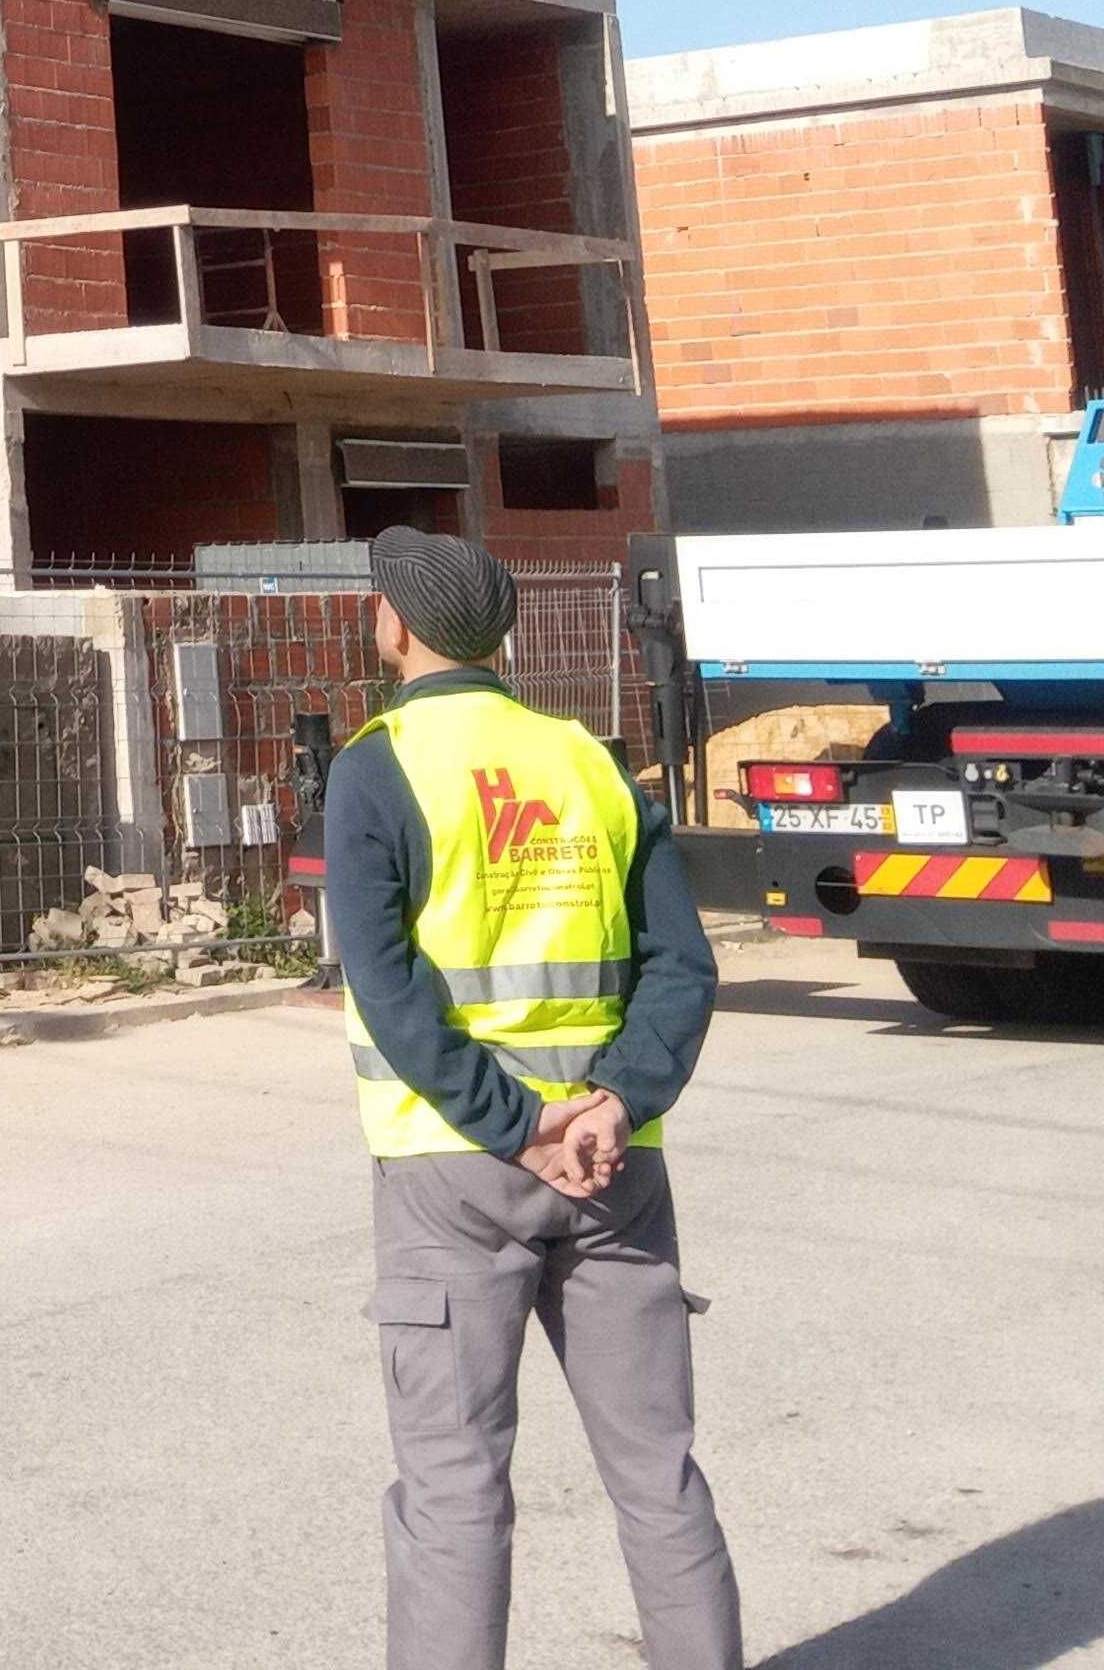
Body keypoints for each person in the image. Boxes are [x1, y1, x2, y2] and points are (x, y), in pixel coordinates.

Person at [323, 523, 736, 1670]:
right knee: (659, 1478)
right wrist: (607, 1103)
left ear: (393, 626)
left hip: (452, 1172)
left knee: (454, 1493)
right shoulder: (588, 760)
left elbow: (389, 986)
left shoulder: (377, 765)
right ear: (499, 634)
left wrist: (516, 1127)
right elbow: (682, 966)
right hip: (616, 1164)